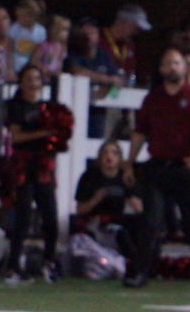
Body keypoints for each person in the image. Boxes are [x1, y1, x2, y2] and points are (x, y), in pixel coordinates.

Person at [122, 47, 190, 288]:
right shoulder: (153, 99)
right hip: (158, 167)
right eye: (168, 63)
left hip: (184, 168)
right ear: (161, 69)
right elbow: (140, 132)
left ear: (184, 67)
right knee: (150, 221)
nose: (173, 67)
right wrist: (129, 163)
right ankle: (141, 272)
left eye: (177, 63)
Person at [2, 64, 63, 286]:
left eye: (36, 78)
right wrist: (45, 133)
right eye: (28, 78)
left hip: (44, 166)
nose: (32, 83)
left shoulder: (49, 107)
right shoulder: (15, 107)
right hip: (23, 167)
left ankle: (49, 262)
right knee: (23, 217)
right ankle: (14, 266)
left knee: (50, 216)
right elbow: (16, 137)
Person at [72, 140, 143, 276]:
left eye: (114, 153)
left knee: (133, 232)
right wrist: (97, 198)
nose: (109, 157)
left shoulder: (125, 177)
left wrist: (132, 200)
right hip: (95, 224)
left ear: (119, 158)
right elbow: (80, 210)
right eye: (105, 152)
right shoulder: (89, 177)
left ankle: (137, 267)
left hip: (118, 224)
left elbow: (139, 208)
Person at [66, 17, 124, 138]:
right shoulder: (73, 53)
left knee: (96, 141)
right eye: (85, 33)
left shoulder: (104, 55)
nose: (89, 37)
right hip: (75, 107)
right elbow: (77, 71)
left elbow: (118, 79)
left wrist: (109, 88)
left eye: (92, 33)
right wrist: (106, 80)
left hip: (98, 112)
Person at [97, 3, 152, 86]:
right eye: (135, 28)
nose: (136, 32)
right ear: (123, 22)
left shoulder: (130, 45)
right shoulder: (98, 39)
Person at [8, 0, 47, 73]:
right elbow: (9, 50)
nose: (20, 19)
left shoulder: (41, 31)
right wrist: (10, 70)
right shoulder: (15, 28)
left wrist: (34, 65)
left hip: (31, 66)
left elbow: (40, 50)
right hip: (15, 66)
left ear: (33, 15)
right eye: (18, 16)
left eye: (24, 16)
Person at [31, 14, 70, 81]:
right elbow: (34, 61)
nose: (66, 33)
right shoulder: (45, 45)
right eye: (63, 29)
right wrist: (44, 69)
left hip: (53, 80)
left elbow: (60, 64)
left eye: (67, 30)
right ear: (53, 29)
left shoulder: (62, 48)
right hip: (42, 78)